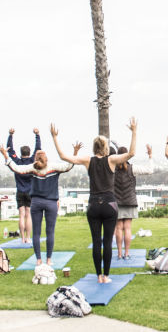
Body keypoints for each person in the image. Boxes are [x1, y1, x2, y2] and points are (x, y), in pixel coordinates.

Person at [53, 119, 137, 283]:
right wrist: (134, 131)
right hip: (109, 204)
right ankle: (106, 276)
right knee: (107, 242)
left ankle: (99, 276)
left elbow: (63, 156)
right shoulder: (111, 160)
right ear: (105, 148)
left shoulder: (88, 160)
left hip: (93, 205)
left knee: (96, 241)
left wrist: (55, 137)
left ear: (94, 147)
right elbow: (131, 153)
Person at [0, 126, 79, 266]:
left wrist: (6, 156)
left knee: (36, 233)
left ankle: (38, 260)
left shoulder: (32, 168)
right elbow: (69, 165)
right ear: (46, 158)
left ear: (35, 158)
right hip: (51, 203)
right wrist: (75, 152)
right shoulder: (53, 167)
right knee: (50, 232)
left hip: (35, 202)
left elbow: (16, 168)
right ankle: (48, 260)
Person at [114, 144, 154, 259]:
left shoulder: (112, 168)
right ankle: (127, 254)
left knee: (118, 228)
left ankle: (119, 254)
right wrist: (150, 156)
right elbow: (150, 170)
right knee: (127, 228)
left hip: (117, 202)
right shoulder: (133, 168)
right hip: (130, 201)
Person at [6, 128, 40, 244]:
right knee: (28, 215)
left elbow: (10, 151)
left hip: (20, 191)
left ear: (21, 153)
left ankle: (22, 238)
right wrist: (37, 135)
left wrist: (10, 135)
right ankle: (28, 237)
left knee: (21, 215)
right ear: (29, 153)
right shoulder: (32, 161)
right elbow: (38, 149)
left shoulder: (17, 162)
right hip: (30, 191)